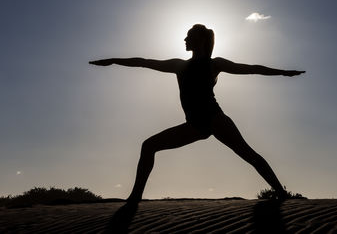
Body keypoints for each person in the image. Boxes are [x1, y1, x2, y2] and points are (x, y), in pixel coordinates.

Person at [90, 24, 305, 206]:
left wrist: (283, 72)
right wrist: (113, 60)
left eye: (189, 36)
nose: (184, 39)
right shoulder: (178, 65)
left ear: (200, 39)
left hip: (215, 119)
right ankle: (135, 198)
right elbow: (143, 61)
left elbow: (251, 68)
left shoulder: (214, 64)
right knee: (149, 146)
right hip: (194, 125)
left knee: (249, 155)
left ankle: (281, 193)